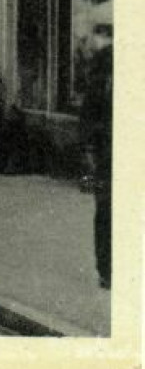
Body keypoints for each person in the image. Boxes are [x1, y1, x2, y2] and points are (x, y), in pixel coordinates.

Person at [79, 24, 113, 290]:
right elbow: (89, 116)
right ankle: (107, 270)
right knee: (105, 209)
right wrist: (89, 150)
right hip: (106, 153)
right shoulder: (103, 67)